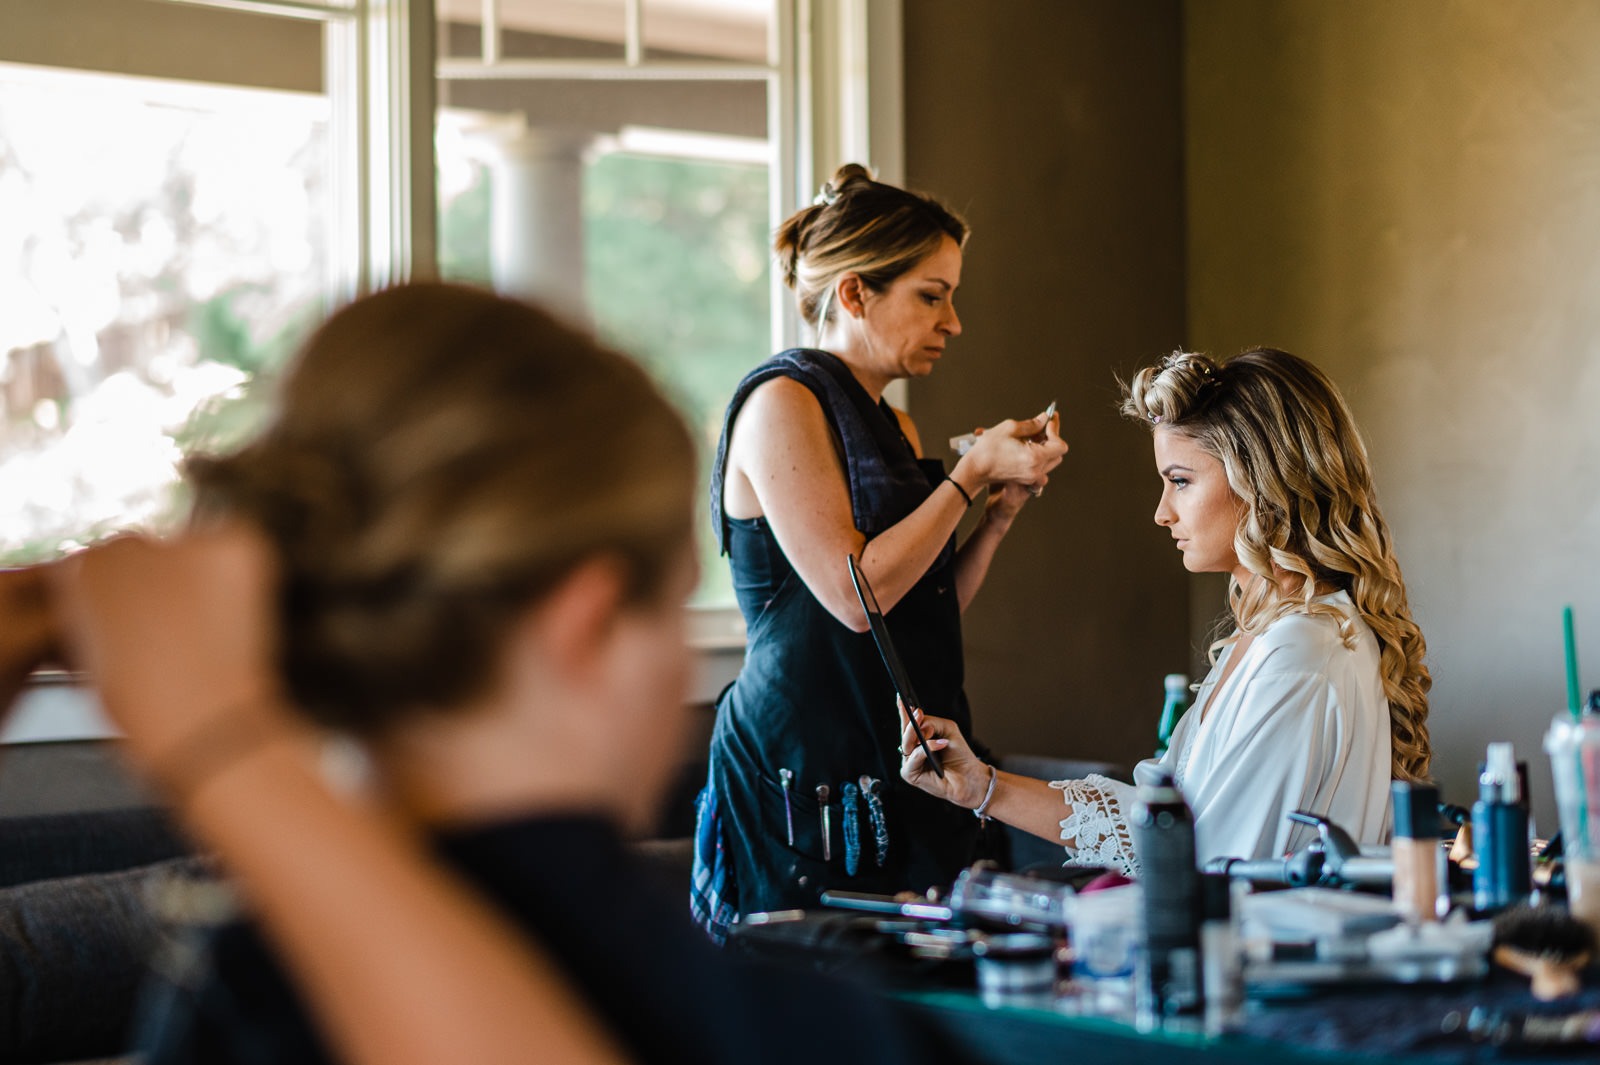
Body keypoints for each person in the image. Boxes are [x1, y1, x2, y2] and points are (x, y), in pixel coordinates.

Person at [11, 283, 973, 1065]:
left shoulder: (236, 997)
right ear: (586, 622)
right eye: (673, 603)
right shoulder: (793, 1027)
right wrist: (222, 744)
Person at [692, 164, 1068, 934]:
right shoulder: (780, 402)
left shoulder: (894, 424)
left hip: (899, 750)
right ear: (856, 292)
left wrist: (997, 514)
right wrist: (968, 475)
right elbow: (854, 596)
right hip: (805, 762)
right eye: (932, 295)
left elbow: (919, 605)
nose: (953, 322)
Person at [900, 348, 1432, 875]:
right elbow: (1159, 825)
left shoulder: (1301, 652)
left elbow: (1206, 866)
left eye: (1180, 481)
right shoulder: (1266, 635)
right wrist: (981, 786)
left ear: (1263, 481)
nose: (1161, 513)